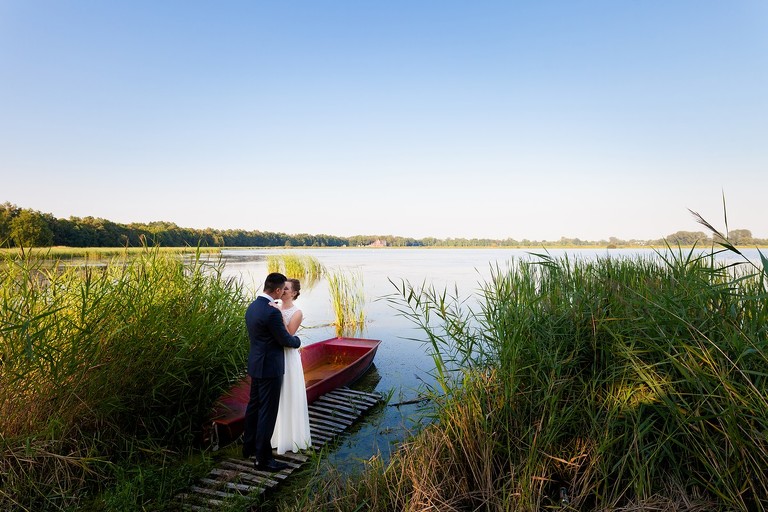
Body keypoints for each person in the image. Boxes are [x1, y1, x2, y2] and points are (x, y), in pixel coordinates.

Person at [242, 272, 301, 472]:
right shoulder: (272, 312)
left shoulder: (253, 306)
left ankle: (248, 447)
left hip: (256, 364)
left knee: (253, 407)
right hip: (270, 368)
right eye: (282, 289)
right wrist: (297, 342)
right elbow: (285, 339)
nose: (283, 292)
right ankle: (263, 459)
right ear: (276, 290)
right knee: (267, 412)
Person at [271, 278, 312, 454]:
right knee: (278, 396)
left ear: (294, 293)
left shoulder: (297, 313)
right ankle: (277, 437)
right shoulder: (275, 305)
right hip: (275, 355)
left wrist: (279, 314)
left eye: (286, 288)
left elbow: (289, 335)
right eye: (282, 288)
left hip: (289, 356)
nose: (283, 290)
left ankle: (293, 439)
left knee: (290, 393)